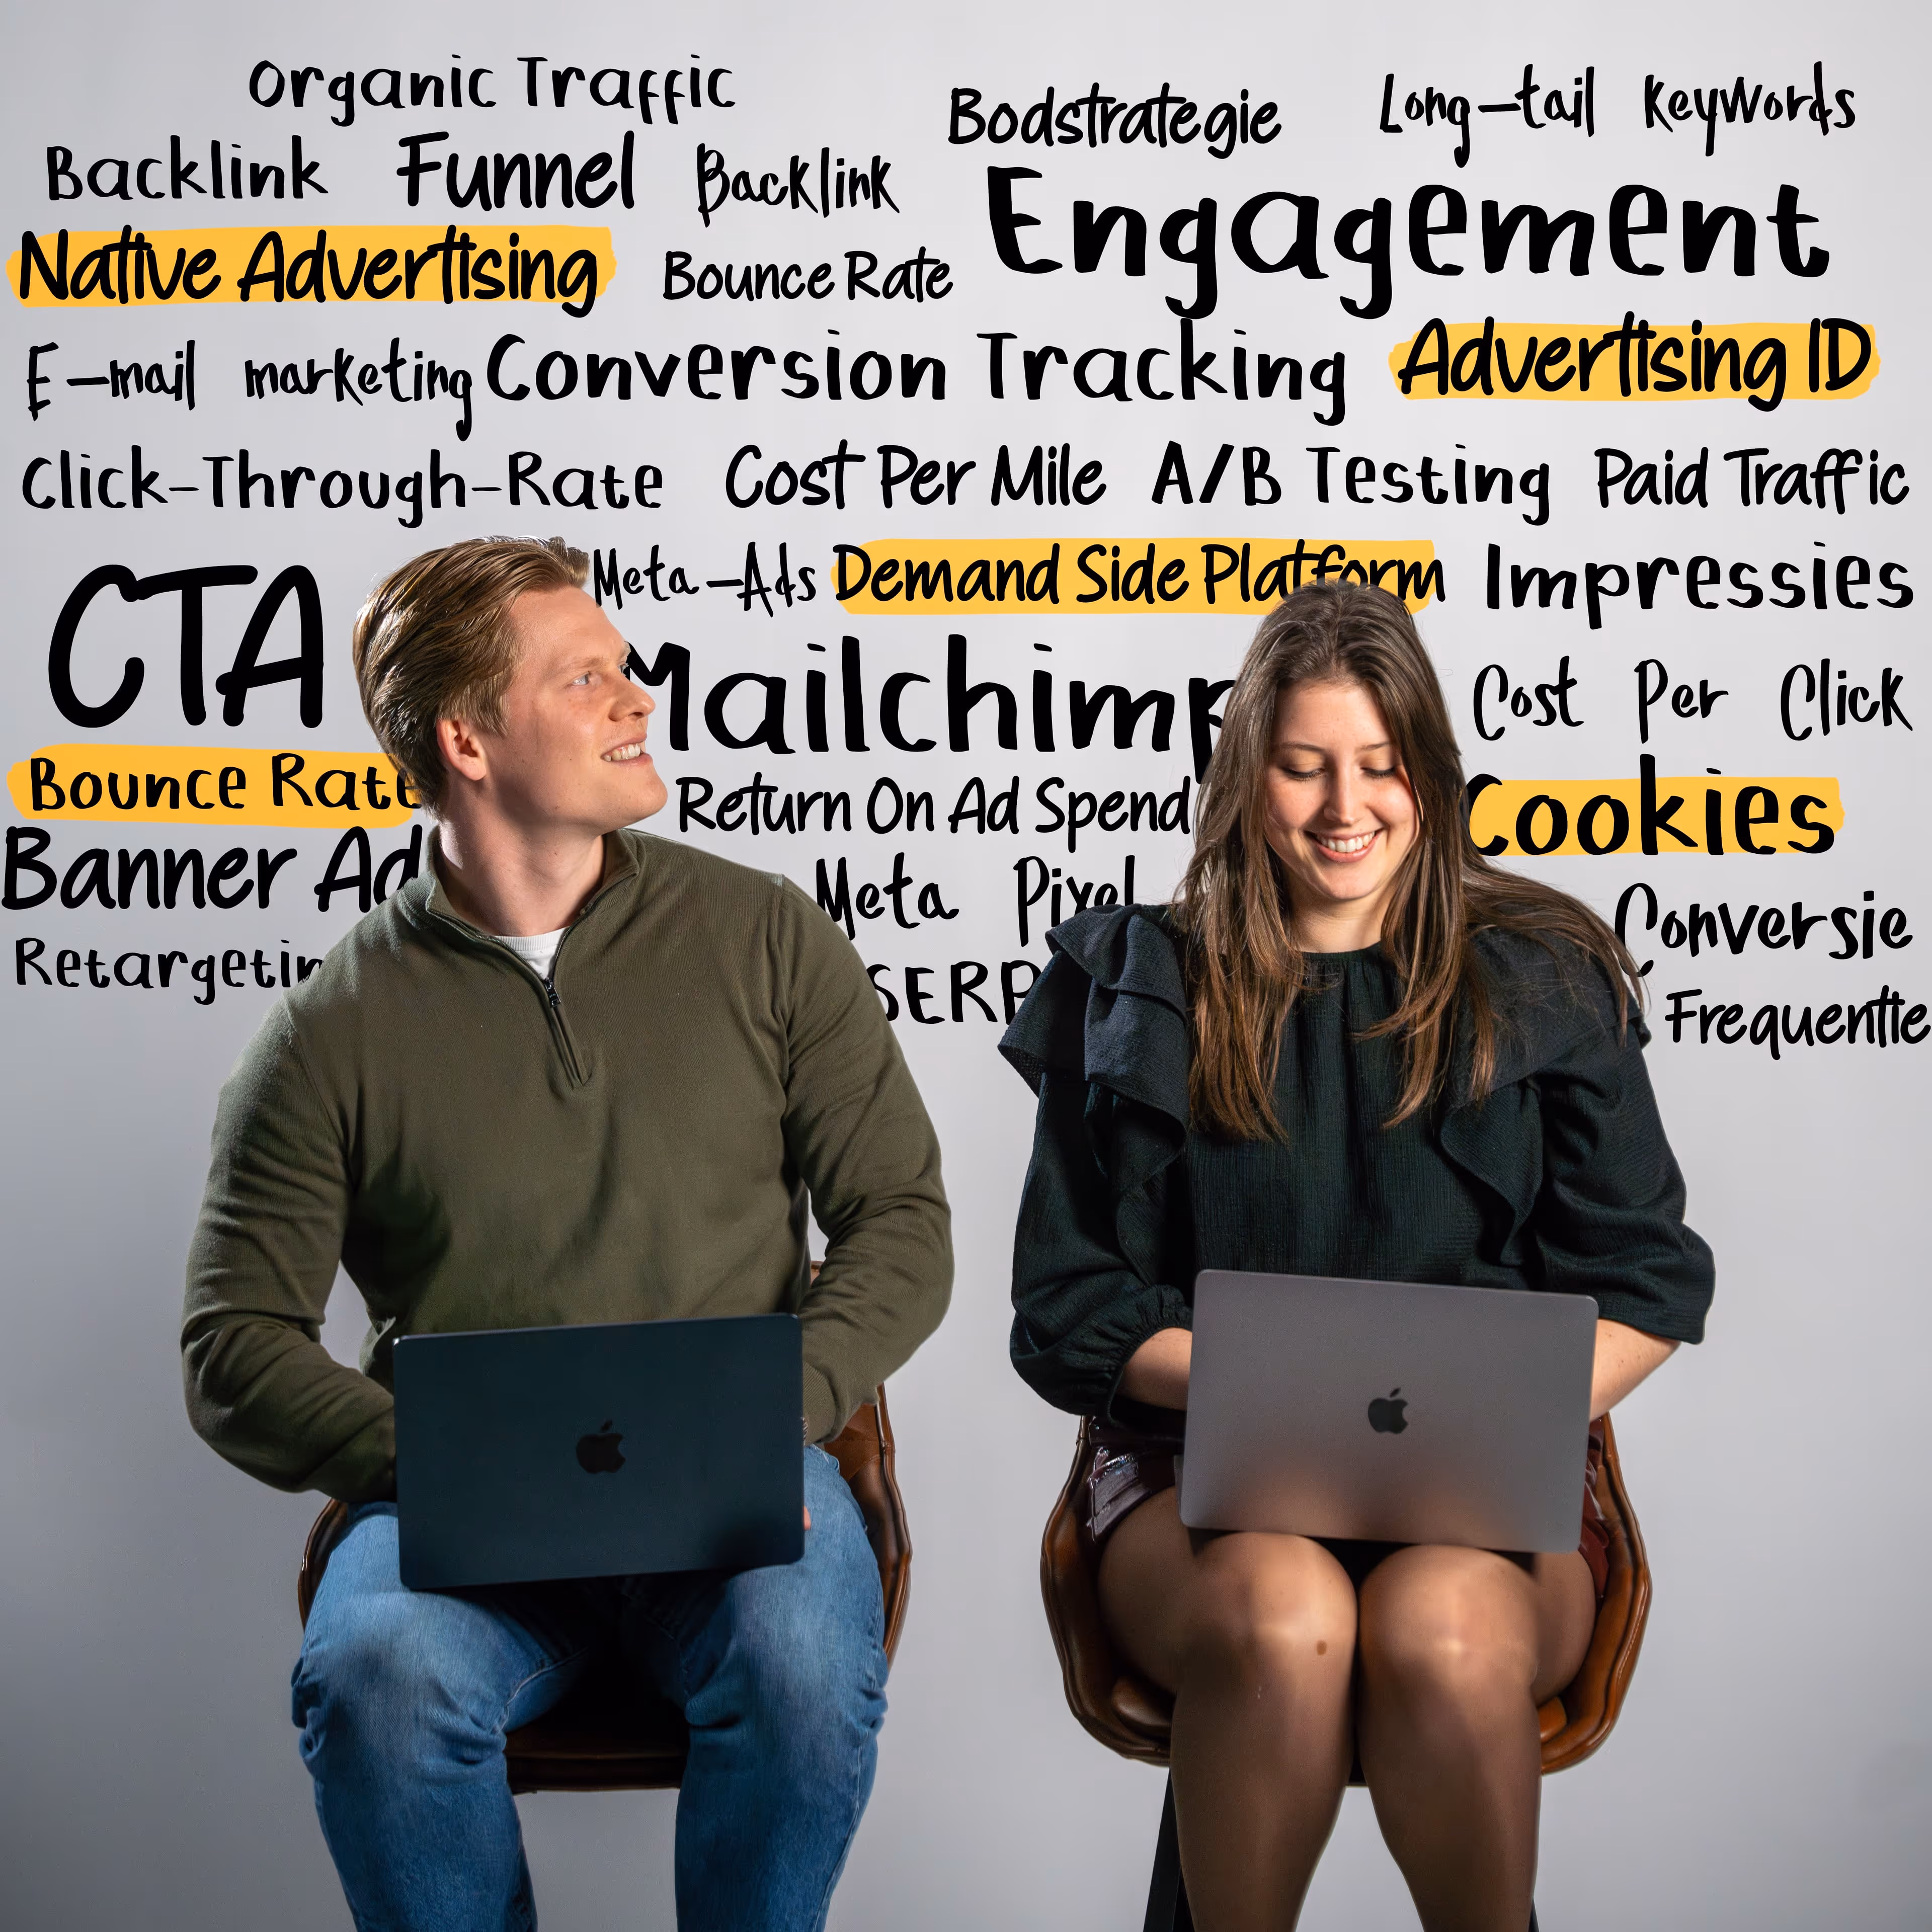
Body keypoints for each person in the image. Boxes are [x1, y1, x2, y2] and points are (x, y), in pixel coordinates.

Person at [180, 536, 952, 1932]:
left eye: (624, 665)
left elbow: (899, 1219)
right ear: (469, 739)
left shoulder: (767, 939)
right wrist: (435, 1461)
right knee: (376, 1680)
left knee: (795, 1664)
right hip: (459, 1522)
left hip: (737, 1508)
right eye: (585, 675)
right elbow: (233, 1346)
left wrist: (780, 1405)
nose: (637, 696)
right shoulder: (327, 1033)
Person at [1001, 581, 1712, 1932]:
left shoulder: (1545, 975)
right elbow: (1067, 1309)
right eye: (1304, 766)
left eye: (1382, 767)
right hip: (1195, 1494)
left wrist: (1495, 1422)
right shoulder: (1138, 980)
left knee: (1440, 1633)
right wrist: (1277, 1405)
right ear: (1244, 776)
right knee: (1285, 1609)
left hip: (1489, 1505)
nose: (1346, 807)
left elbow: (1651, 1282)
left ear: (1432, 779)